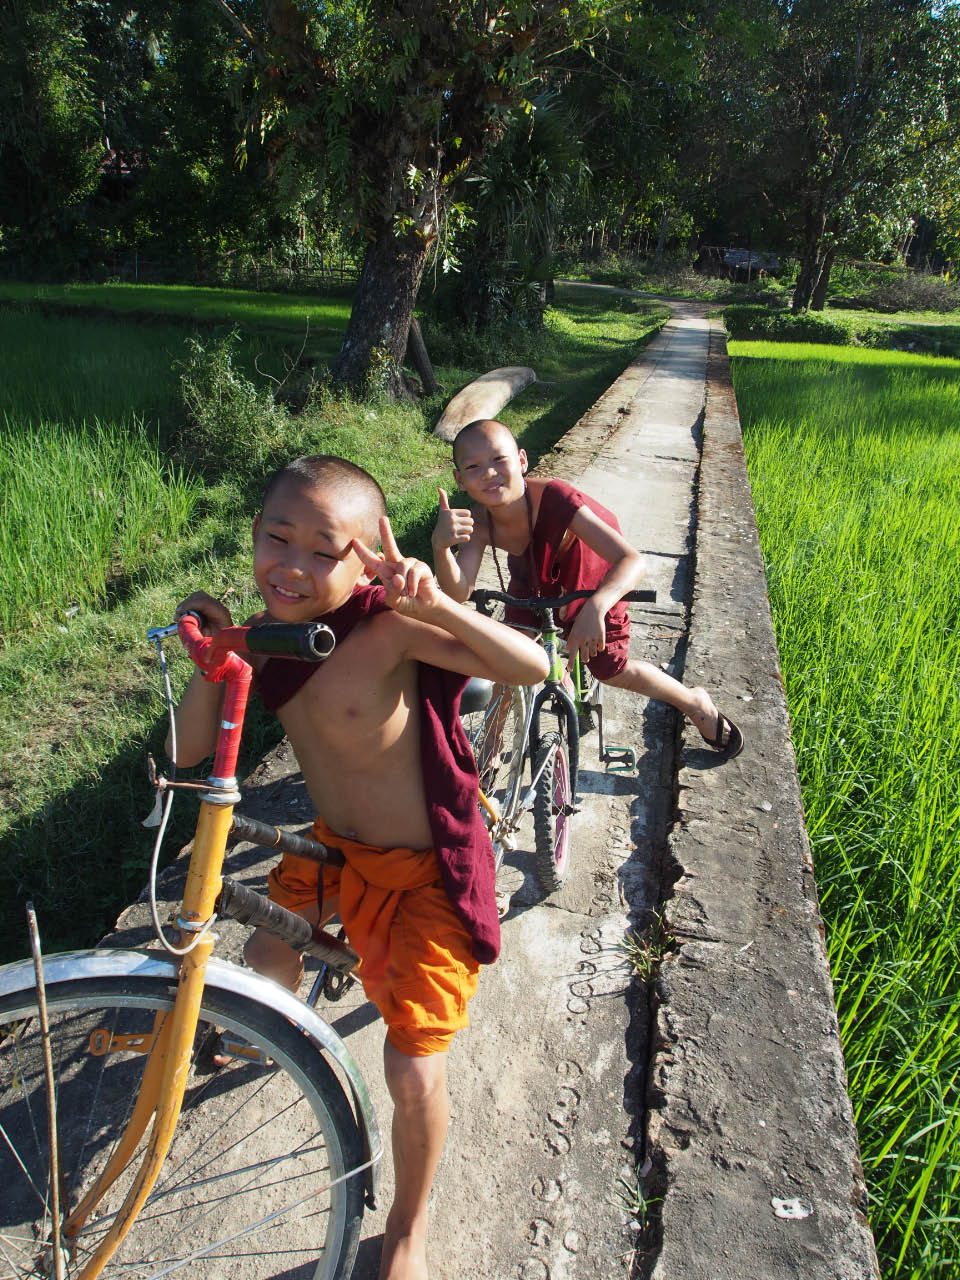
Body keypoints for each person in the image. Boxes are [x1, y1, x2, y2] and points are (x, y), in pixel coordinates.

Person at [166, 454, 549, 1280]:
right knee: (266, 949)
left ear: (368, 557)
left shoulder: (391, 629)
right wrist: (211, 655)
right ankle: (263, 1043)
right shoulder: (266, 640)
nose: (292, 566)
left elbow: (532, 667)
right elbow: (189, 750)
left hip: (427, 868)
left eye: (324, 550)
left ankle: (408, 1225)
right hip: (338, 849)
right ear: (254, 534)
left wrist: (439, 604)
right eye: (277, 538)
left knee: (411, 1065)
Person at [431, 418, 744, 759]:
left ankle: (693, 701)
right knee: (508, 654)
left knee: (609, 668)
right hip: (534, 575)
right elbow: (458, 592)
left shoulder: (556, 499)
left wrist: (596, 606)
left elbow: (632, 560)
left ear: (521, 460)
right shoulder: (478, 522)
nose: (489, 474)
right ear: (459, 480)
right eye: (474, 467)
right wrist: (441, 547)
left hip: (592, 576)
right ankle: (491, 745)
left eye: (498, 459)